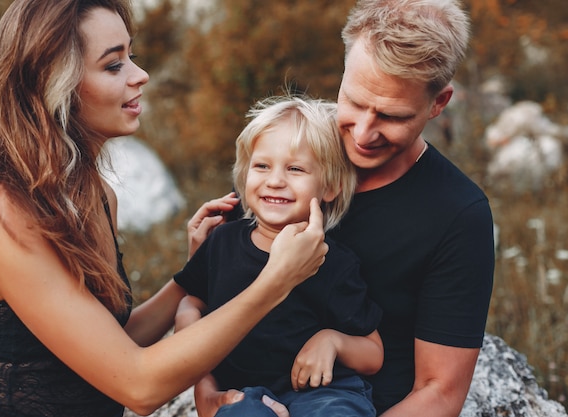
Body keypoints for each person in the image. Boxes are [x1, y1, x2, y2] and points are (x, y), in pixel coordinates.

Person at [0, 1, 328, 416]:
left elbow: (115, 342)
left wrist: (197, 271)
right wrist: (275, 280)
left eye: (130, 56)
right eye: (114, 65)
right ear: (53, 83)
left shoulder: (95, 195)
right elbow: (137, 384)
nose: (140, 75)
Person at [191, 0, 495, 416]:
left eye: (392, 116)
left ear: (438, 103)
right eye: (353, 101)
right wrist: (204, 393)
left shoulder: (459, 214)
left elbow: (440, 392)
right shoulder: (289, 152)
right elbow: (208, 298)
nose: (364, 134)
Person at [174, 95, 384, 417]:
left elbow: (373, 354)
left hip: (322, 393)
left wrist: (332, 341)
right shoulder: (223, 242)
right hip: (243, 393)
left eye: (295, 168)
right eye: (261, 166)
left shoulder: (334, 261)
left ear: (330, 187)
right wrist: (187, 319)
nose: (275, 181)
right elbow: (193, 298)